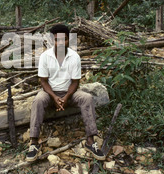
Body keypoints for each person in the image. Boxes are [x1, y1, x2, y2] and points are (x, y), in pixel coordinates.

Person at [26, 24, 105, 162]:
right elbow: (43, 81)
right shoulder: (45, 56)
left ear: (69, 40)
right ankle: (33, 142)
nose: (61, 43)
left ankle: (90, 141)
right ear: (52, 41)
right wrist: (55, 97)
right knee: (38, 100)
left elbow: (75, 82)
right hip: (50, 92)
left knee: (87, 98)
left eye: (64, 40)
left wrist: (66, 97)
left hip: (70, 91)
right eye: (57, 40)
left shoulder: (74, 57)